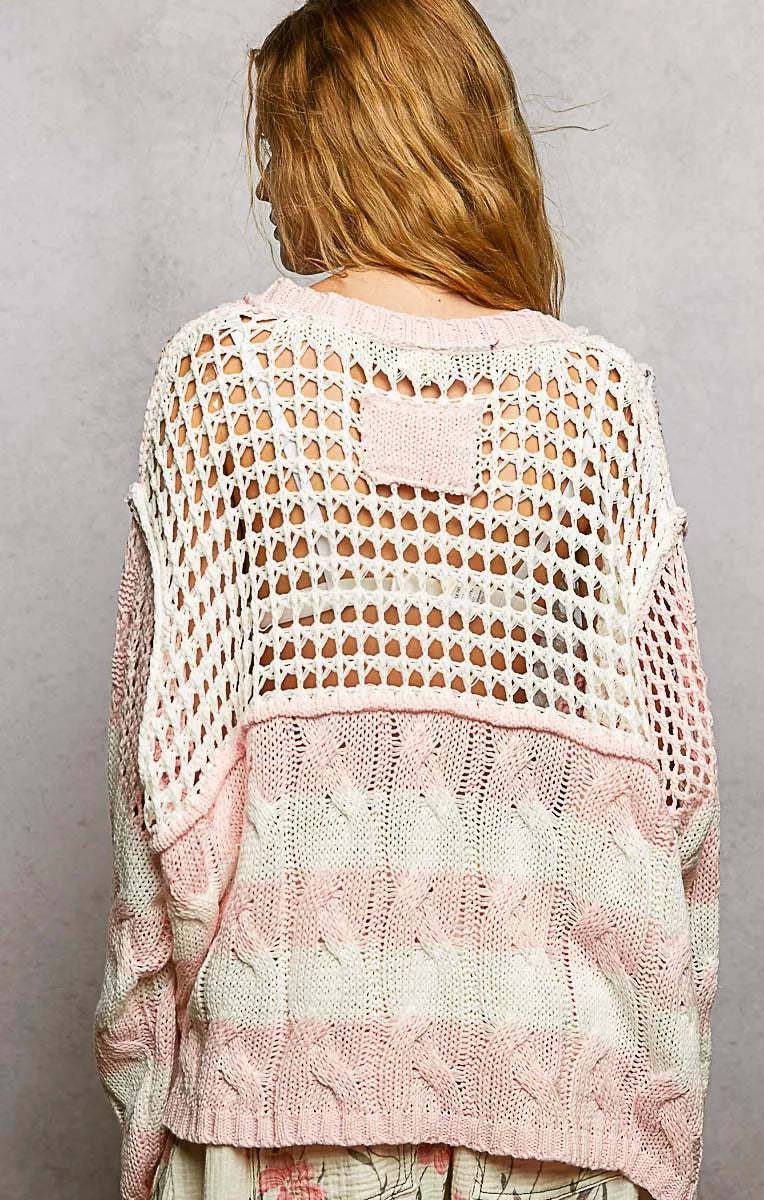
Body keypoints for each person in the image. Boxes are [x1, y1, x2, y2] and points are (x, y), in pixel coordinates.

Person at [93, 3, 720, 1200]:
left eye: (276, 142)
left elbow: (158, 787)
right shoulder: (596, 402)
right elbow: (678, 800)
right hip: (566, 1107)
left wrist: (151, 1098)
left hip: (277, 1100)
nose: (263, 185)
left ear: (349, 140)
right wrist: (655, 1110)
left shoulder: (221, 377)